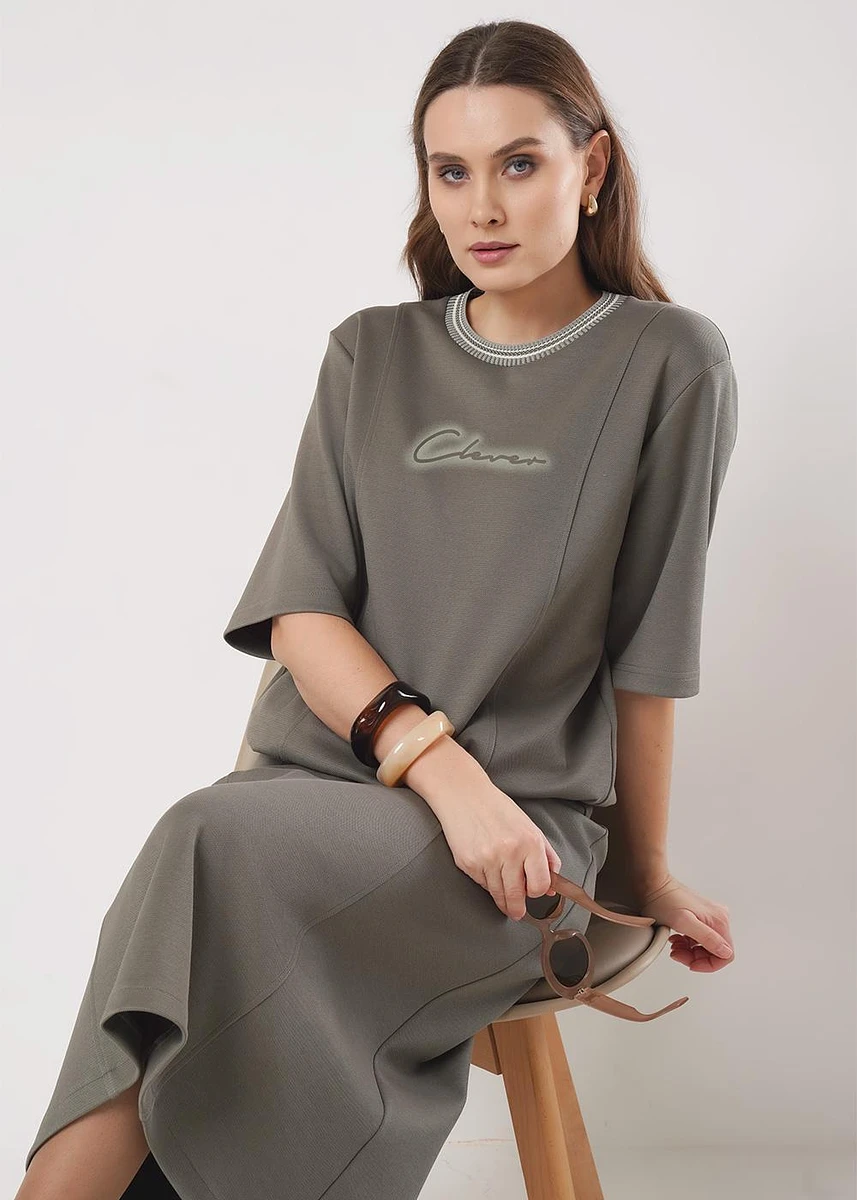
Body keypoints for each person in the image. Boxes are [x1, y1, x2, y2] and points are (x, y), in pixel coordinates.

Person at [17, 18, 738, 1200]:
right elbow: (302, 614)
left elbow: (647, 658)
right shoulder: (370, 354)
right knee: (214, 847)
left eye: (518, 163)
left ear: (592, 168)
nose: (480, 207)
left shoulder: (668, 361)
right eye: (449, 171)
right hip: (335, 796)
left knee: (203, 845)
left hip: (516, 841)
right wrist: (443, 777)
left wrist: (641, 874)